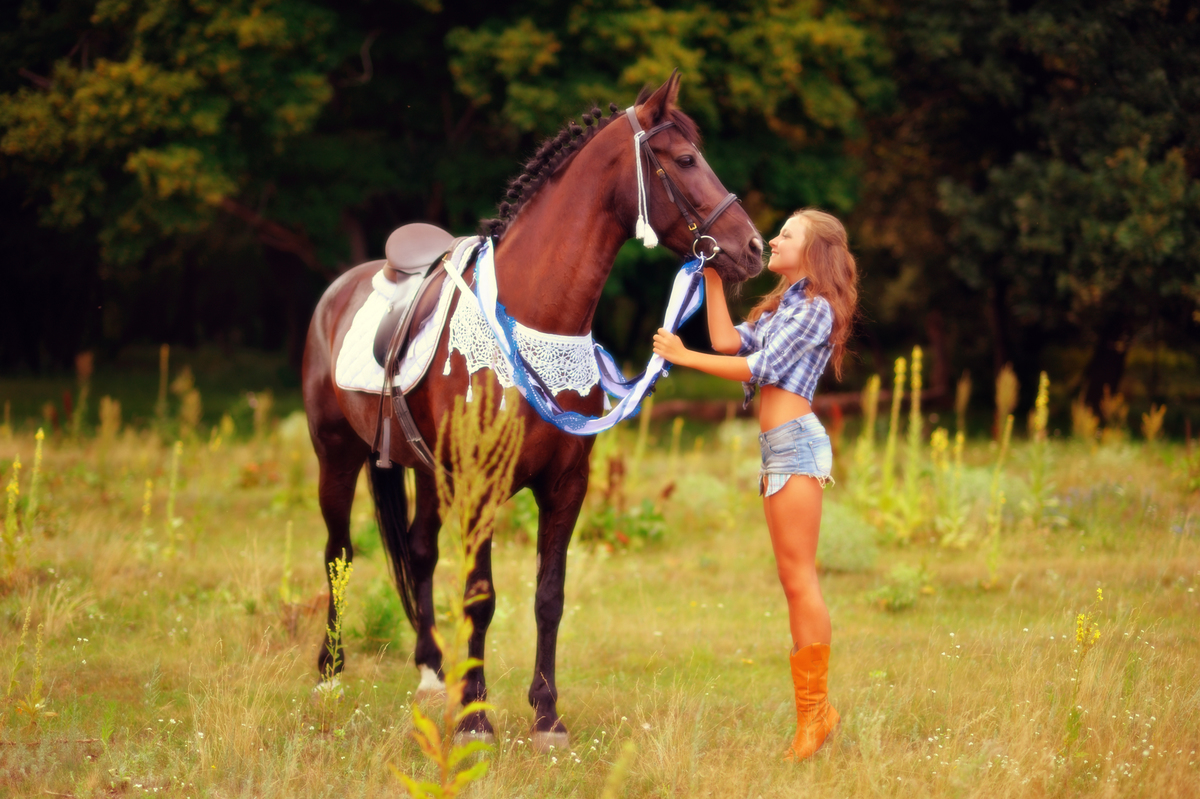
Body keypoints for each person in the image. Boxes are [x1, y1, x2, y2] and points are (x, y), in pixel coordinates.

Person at [652, 208, 858, 761]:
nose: (774, 239)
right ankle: (816, 714)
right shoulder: (785, 304)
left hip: (795, 445)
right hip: (778, 448)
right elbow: (727, 341)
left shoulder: (817, 308)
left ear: (813, 252)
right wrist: (713, 275)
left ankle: (815, 715)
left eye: (787, 234)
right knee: (792, 579)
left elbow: (759, 368)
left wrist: (682, 357)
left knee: (800, 579)